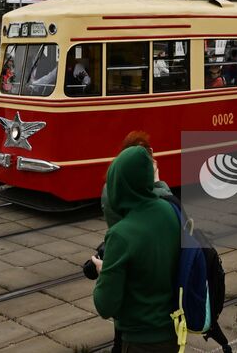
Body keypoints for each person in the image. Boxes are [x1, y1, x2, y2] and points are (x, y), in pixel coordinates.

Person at [90, 145, 181, 353]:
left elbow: (105, 305)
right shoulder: (168, 210)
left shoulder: (121, 234)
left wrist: (104, 272)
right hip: (172, 334)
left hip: (140, 340)